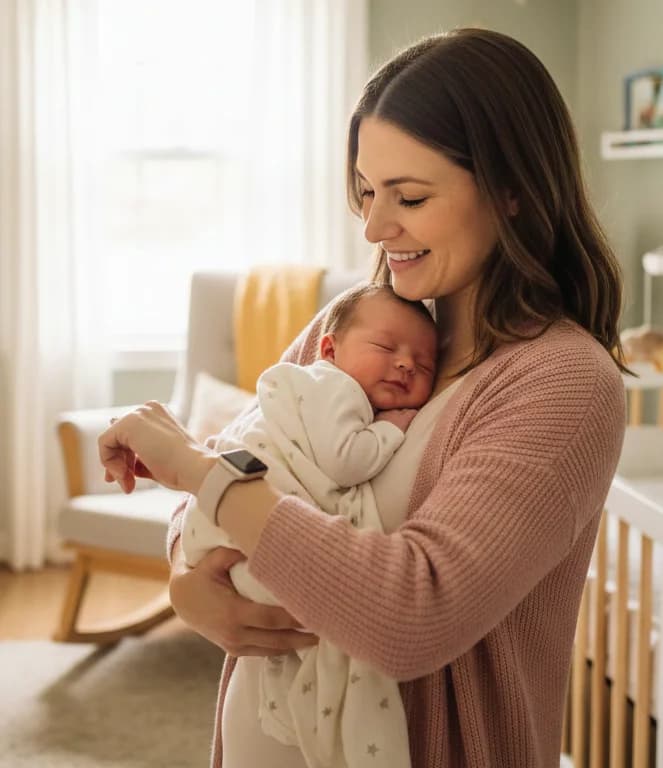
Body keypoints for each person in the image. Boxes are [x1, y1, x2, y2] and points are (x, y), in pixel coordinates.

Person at [99, 27, 627, 768]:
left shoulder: (563, 385)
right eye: (366, 192)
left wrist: (194, 471)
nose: (376, 228)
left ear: (511, 189)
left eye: (408, 196)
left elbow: (409, 618)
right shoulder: (356, 319)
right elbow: (242, 470)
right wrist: (186, 581)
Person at [180, 283, 438, 768]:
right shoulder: (332, 387)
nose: (406, 364)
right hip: (251, 550)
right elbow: (345, 461)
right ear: (328, 349)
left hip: (233, 545)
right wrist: (391, 428)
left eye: (424, 365)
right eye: (386, 349)